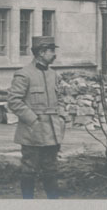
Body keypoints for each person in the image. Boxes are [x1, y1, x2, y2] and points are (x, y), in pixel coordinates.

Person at [7, 36, 67, 199]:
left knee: (51, 169)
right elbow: (14, 101)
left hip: (53, 131)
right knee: (29, 169)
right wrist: (33, 120)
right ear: (41, 52)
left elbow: (60, 98)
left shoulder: (54, 75)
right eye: (51, 51)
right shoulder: (24, 74)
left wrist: (61, 117)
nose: (54, 55)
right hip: (32, 132)